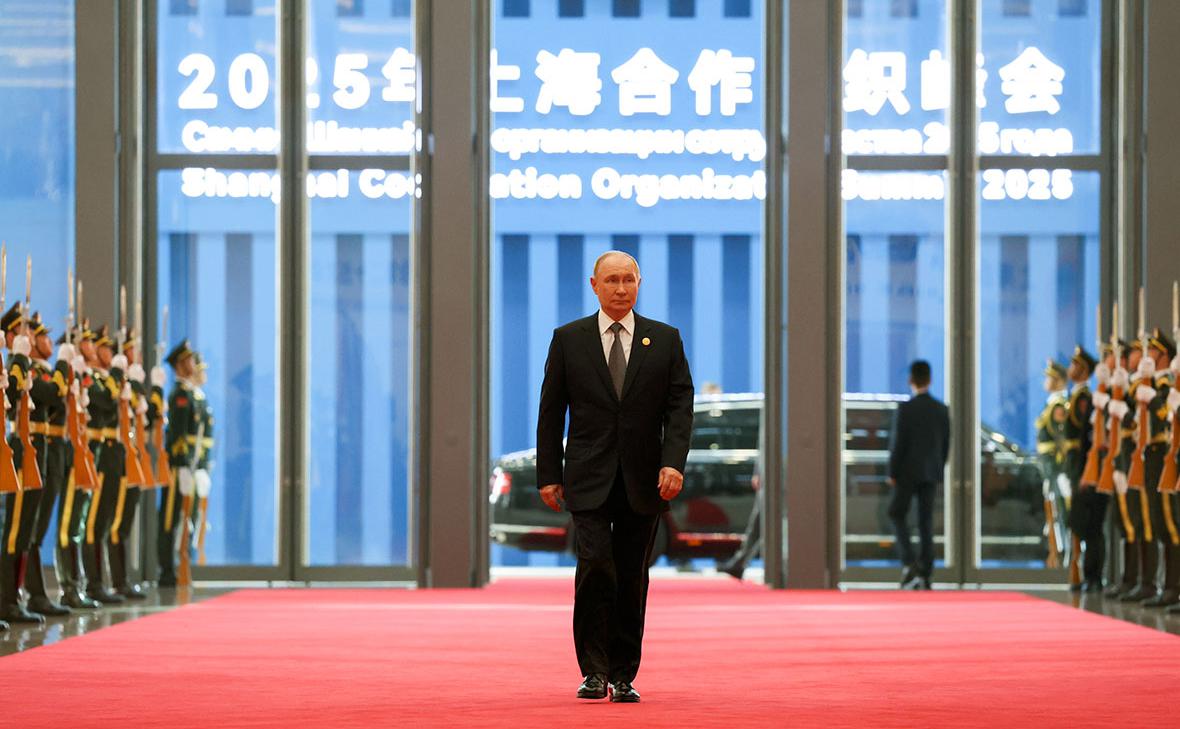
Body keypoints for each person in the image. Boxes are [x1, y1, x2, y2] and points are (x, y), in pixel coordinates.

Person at [536, 250, 693, 704]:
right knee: (595, 566)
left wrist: (673, 462)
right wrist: (549, 474)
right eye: (612, 281)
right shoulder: (569, 339)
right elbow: (551, 411)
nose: (621, 289)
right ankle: (593, 670)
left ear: (639, 283)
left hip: (644, 479)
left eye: (629, 280)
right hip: (587, 476)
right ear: (594, 286)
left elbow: (680, 408)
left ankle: (623, 675)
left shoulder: (664, 340)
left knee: (631, 574)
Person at [887, 360, 950, 590]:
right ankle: (926, 571)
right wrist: (938, 468)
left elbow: (898, 444)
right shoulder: (941, 409)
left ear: (911, 380)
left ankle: (909, 561)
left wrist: (892, 471)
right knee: (926, 521)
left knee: (896, 513)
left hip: (907, 472)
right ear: (930, 380)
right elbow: (945, 444)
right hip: (930, 472)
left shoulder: (906, 409)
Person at [1066, 345, 1106, 593]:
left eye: (1074, 365)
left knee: (1091, 523)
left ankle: (1093, 575)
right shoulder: (1077, 396)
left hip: (1087, 466)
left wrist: (1084, 472)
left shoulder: (1084, 398)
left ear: (1083, 370)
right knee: (1082, 522)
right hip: (1079, 465)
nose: (1070, 369)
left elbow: (1086, 436)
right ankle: (1087, 575)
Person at [1035, 359, 1070, 569]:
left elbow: (1061, 439)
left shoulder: (1058, 406)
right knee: (1054, 510)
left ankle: (1066, 553)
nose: (1046, 381)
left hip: (1056, 466)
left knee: (1060, 511)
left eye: (1050, 378)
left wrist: (1062, 469)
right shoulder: (1052, 404)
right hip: (1048, 466)